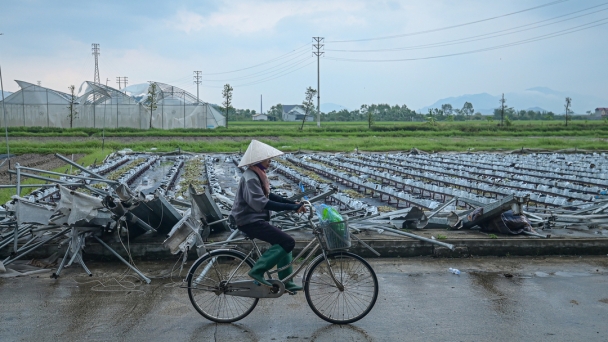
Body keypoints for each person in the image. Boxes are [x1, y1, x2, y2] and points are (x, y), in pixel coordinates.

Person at [230, 140, 306, 291]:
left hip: (255, 219)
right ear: (258, 161)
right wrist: (291, 207)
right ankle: (257, 270)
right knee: (288, 242)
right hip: (248, 221)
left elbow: (270, 196)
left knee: (283, 242)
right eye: (267, 159)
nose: (270, 162)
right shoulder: (251, 176)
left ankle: (286, 281)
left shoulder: (258, 174)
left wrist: (292, 203)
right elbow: (262, 202)